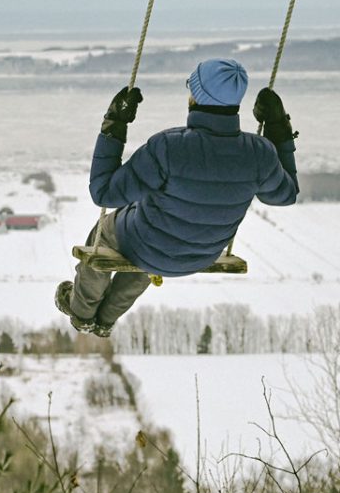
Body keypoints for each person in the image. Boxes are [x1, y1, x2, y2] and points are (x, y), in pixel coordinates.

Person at [55, 58, 299, 338]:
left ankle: (83, 311)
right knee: (149, 232)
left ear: (196, 95)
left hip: (147, 245)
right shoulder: (260, 152)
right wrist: (278, 128)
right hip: (201, 256)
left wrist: (114, 124)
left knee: (107, 231)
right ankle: (107, 318)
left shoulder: (170, 146)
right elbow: (286, 194)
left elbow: (104, 192)